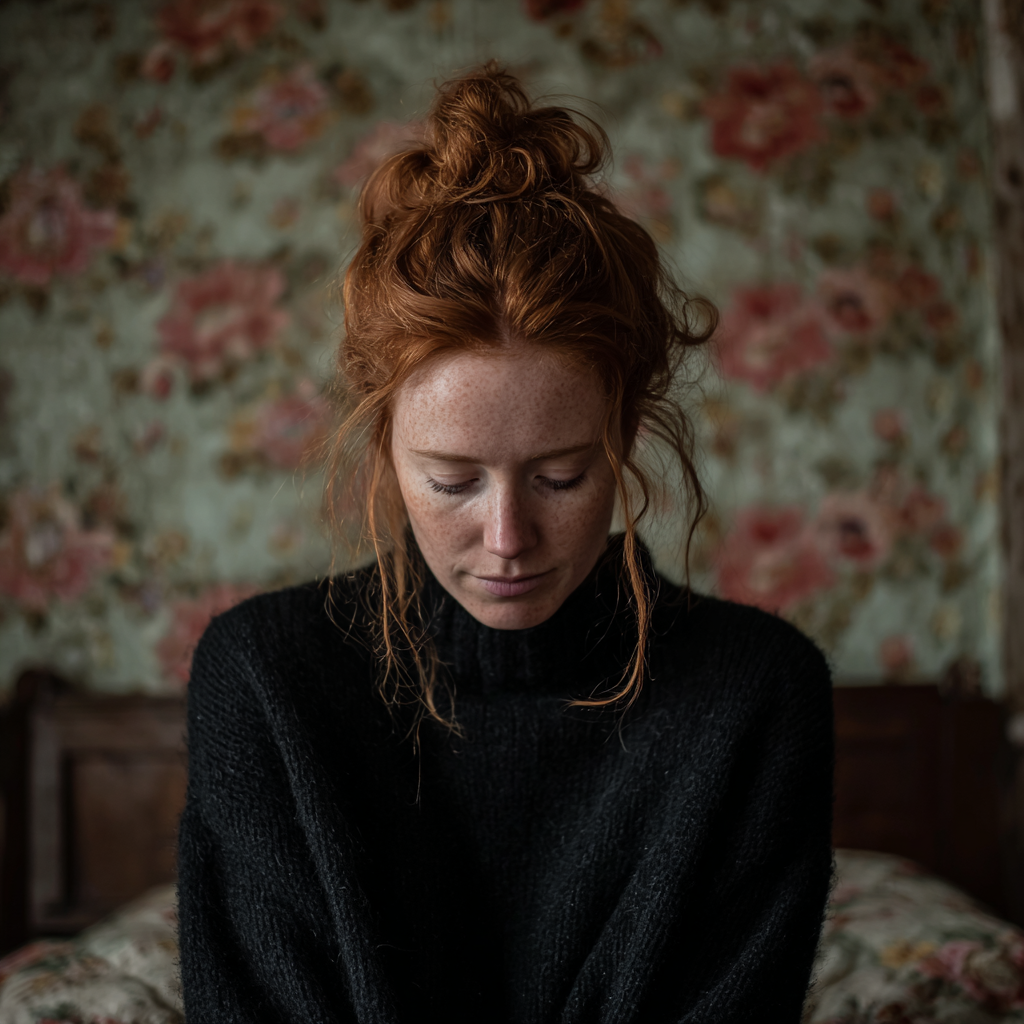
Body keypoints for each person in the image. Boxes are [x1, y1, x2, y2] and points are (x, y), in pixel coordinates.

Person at [177, 63, 833, 1023]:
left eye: (561, 477)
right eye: (452, 481)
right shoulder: (266, 681)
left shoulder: (755, 695)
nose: (508, 539)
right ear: (384, 445)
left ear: (625, 438)